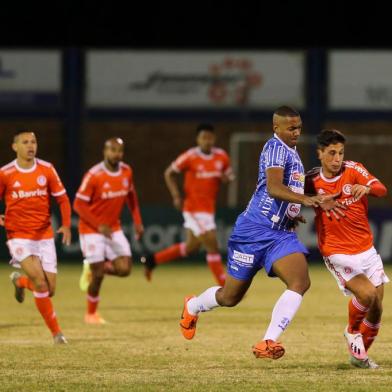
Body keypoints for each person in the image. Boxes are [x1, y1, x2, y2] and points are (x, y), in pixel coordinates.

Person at [179, 106, 342, 359]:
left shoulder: (292, 152)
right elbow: (275, 188)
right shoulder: (275, 148)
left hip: (280, 234)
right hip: (253, 232)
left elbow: (280, 192)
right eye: (291, 128)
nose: (297, 132)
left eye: (299, 127)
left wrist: (292, 210)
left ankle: (267, 341)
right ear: (276, 128)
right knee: (230, 297)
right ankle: (193, 306)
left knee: (300, 281)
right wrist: (309, 200)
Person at [305, 129, 388, 369]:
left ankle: (359, 356)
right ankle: (352, 331)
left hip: (366, 249)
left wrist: (369, 189)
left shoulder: (354, 169)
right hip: (336, 250)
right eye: (331, 153)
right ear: (319, 154)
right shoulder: (310, 180)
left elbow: (382, 188)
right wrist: (292, 215)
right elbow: (290, 196)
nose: (337, 158)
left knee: (377, 309)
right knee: (368, 295)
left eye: (340, 153)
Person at [0, 130, 71, 344]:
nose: (30, 146)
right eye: (25, 142)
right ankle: (57, 334)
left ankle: (20, 282)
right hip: (18, 236)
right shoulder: (5, 173)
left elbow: (63, 199)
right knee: (40, 283)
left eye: (33, 142)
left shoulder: (46, 169)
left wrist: (66, 225)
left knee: (49, 290)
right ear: (15, 147)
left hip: (44, 235)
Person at [141, 123, 234, 285]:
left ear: (214, 139)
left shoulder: (222, 157)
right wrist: (176, 196)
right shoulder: (190, 156)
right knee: (212, 243)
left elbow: (229, 176)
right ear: (198, 139)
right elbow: (169, 173)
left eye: (210, 138)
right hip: (193, 209)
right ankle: (225, 286)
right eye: (204, 138)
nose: (207, 141)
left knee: (191, 247)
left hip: (208, 210)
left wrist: (227, 179)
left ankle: (152, 260)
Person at [73, 137, 144, 324]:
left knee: (125, 269)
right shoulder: (94, 175)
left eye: (119, 150)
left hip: (113, 228)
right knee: (98, 276)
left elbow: (132, 196)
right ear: (105, 151)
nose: (116, 154)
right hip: (91, 230)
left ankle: (93, 267)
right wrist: (98, 225)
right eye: (112, 150)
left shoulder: (127, 171)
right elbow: (78, 204)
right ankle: (91, 314)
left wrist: (137, 221)